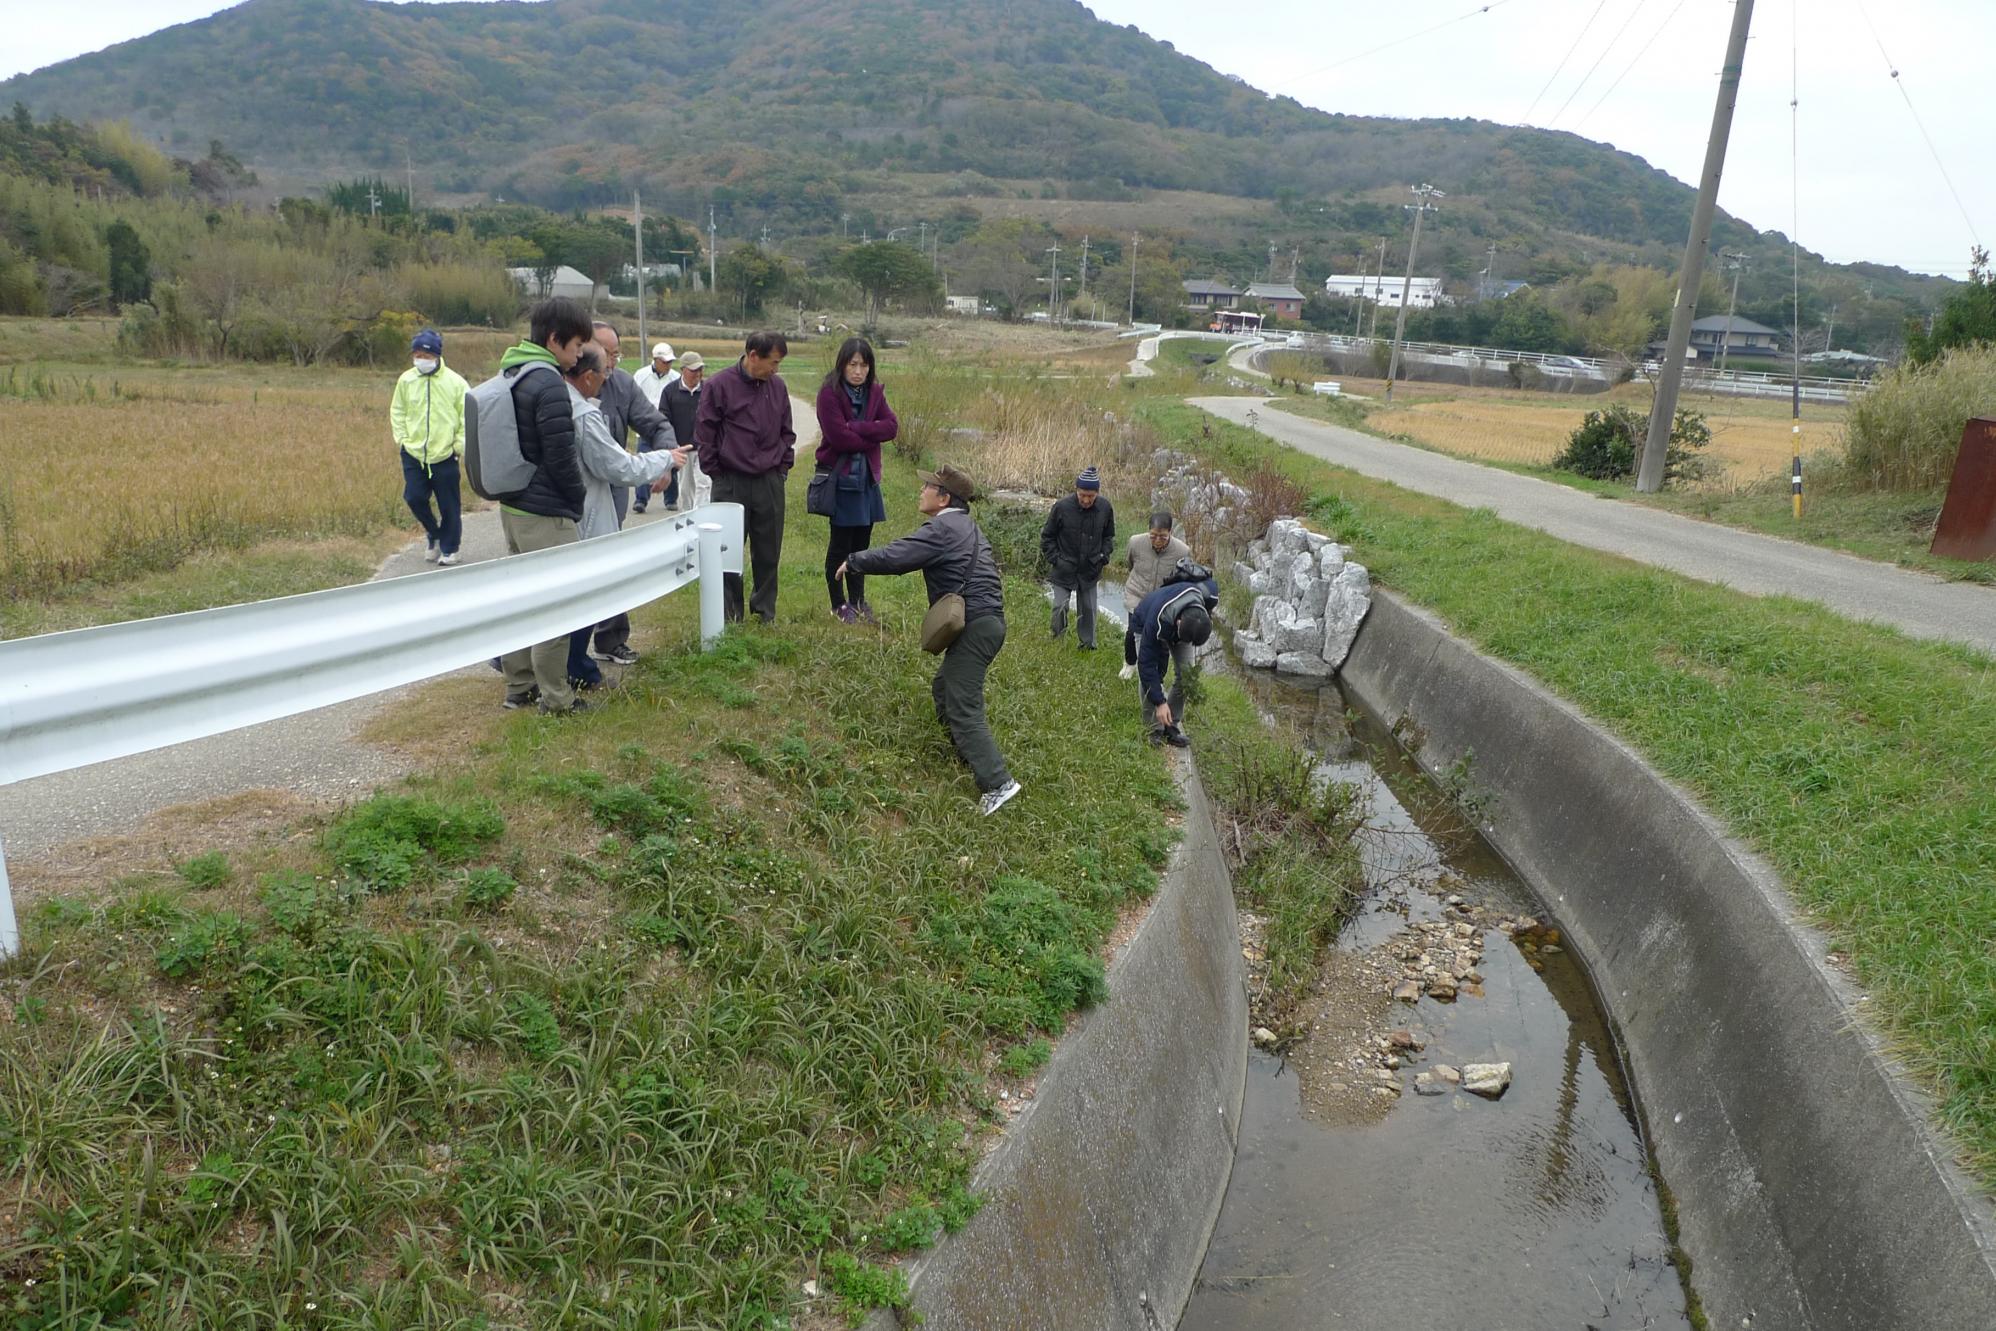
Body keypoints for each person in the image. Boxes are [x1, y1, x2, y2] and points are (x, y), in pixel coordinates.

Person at [841, 466, 1022, 816]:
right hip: (986, 624)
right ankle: (964, 754)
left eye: (928, 486)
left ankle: (998, 784)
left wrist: (854, 561)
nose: (921, 490)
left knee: (964, 704)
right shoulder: (965, 526)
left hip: (976, 626)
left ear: (944, 498)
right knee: (945, 688)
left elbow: (898, 557)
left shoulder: (943, 527)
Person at [560, 344, 687, 690]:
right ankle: (574, 667)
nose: (610, 374)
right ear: (588, 376)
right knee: (584, 593)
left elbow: (651, 422)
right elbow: (618, 466)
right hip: (585, 514)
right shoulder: (582, 414)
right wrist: (665, 460)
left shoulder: (559, 398)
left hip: (568, 510)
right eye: (606, 367)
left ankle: (540, 662)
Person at [492, 296, 593, 715]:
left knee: (522, 597)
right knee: (557, 603)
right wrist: (575, 499)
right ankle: (557, 697)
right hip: (545, 512)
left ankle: (519, 686)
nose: (578, 356)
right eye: (574, 347)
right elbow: (560, 454)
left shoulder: (512, 370)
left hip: (513, 507)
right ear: (554, 340)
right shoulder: (549, 382)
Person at [585, 321, 680, 664]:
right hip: (575, 494)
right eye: (604, 353)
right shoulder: (563, 383)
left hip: (612, 492)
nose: (610, 361)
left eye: (615, 354)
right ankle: (563, 652)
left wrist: (665, 463)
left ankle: (610, 639)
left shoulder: (622, 385)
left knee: (612, 563)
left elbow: (657, 424)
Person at [695, 331, 796, 624]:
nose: (776, 369)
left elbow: (786, 431)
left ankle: (765, 612)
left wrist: (782, 469)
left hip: (769, 481)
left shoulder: (777, 387)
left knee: (768, 550)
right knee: (727, 551)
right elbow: (705, 433)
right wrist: (718, 474)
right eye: (773, 362)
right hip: (731, 481)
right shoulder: (718, 386)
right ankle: (730, 613)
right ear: (753, 356)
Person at [814, 337, 898, 623]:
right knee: (840, 544)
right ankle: (838, 604)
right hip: (842, 480)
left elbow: (892, 427)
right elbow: (838, 438)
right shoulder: (829, 393)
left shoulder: (874, 392)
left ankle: (858, 601)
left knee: (862, 545)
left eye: (864, 365)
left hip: (867, 482)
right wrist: (870, 435)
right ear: (842, 364)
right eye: (853, 364)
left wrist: (858, 428)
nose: (858, 371)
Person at [390, 328, 469, 565]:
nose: (420, 360)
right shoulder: (406, 380)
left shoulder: (456, 383)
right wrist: (402, 438)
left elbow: (467, 417)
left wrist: (458, 445)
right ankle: (433, 533)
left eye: (424, 356)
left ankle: (450, 548)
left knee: (449, 504)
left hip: (445, 454)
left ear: (436, 355)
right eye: (416, 355)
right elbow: (398, 410)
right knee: (414, 497)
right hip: (414, 453)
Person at [1131, 568, 1218, 748]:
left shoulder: (1207, 599)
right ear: (1179, 623)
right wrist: (1160, 702)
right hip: (1145, 621)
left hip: (1187, 623)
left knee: (1187, 675)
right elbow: (1147, 665)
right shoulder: (1156, 620)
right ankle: (1153, 728)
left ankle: (1171, 726)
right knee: (1152, 676)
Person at [1040, 466, 1115, 649]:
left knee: (1089, 610)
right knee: (1060, 607)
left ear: (1097, 493)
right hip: (1064, 567)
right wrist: (1056, 559)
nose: (1086, 500)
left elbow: (1108, 536)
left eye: (1091, 496)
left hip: (1090, 569)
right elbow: (1047, 537)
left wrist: (1103, 556)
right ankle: (1057, 641)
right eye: (1082, 495)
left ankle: (1088, 646)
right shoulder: (1062, 507)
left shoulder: (1105, 507)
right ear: (1076, 490)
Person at [1119, 510, 1190, 681]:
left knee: (1161, 639)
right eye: (1153, 536)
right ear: (1148, 531)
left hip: (1163, 601)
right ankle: (1130, 663)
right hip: (1137, 594)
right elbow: (1130, 563)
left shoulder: (1182, 551)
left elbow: (1183, 580)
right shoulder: (1135, 542)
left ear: (1170, 533)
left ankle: (1158, 676)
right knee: (1133, 632)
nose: (1158, 541)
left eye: (1163, 537)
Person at [629, 342, 678, 513]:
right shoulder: (640, 375)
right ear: (655, 360)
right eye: (665, 362)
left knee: (670, 461)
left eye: (670, 361)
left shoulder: (675, 378)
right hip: (645, 428)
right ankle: (641, 499)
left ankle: (671, 499)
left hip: (667, 428)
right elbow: (632, 401)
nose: (668, 365)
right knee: (644, 462)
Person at [661, 351, 708, 510]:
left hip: (705, 447)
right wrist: (670, 445)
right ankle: (689, 517)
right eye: (694, 370)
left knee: (704, 484)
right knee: (686, 488)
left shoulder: (709, 389)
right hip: (682, 448)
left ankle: (701, 517)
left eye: (700, 369)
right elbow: (664, 420)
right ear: (683, 370)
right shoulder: (669, 391)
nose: (698, 374)